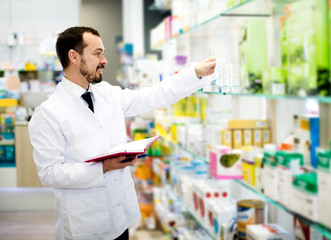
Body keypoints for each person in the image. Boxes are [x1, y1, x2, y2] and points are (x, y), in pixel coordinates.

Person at [28, 26, 216, 240]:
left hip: (120, 219)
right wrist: (103, 168)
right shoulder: (48, 113)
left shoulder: (108, 93)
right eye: (97, 53)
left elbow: (154, 96)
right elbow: (50, 173)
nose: (104, 60)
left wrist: (194, 74)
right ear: (74, 57)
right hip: (84, 226)